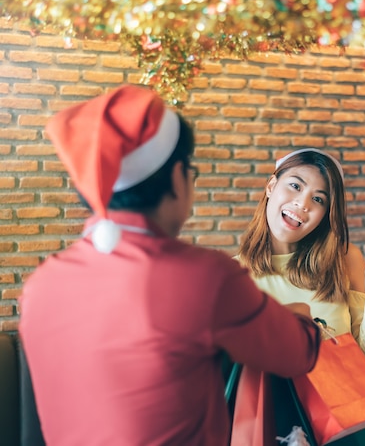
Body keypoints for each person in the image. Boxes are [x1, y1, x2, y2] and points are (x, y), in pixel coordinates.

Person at [18, 85, 322, 446]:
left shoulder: (40, 286)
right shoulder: (205, 278)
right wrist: (302, 314)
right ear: (178, 176)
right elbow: (298, 353)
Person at [235, 148, 365, 444]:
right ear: (270, 186)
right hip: (275, 431)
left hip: (348, 426)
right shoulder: (232, 277)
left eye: (318, 199)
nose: (302, 204)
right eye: (295, 185)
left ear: (325, 213)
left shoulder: (344, 259)